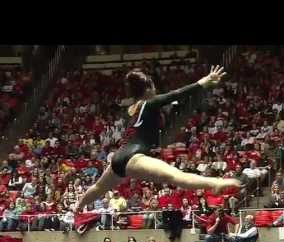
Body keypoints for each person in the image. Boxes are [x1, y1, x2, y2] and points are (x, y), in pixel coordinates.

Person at [75, 66, 240, 213]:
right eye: (153, 86)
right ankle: (215, 183)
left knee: (99, 187)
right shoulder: (149, 103)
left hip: (118, 157)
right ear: (148, 89)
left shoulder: (133, 108)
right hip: (134, 157)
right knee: (176, 176)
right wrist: (203, 82)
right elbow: (176, 94)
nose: (155, 89)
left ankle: (79, 206)